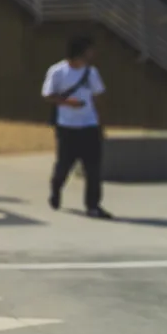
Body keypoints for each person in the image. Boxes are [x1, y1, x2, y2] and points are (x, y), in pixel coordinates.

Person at [42, 36, 111, 219]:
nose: (93, 53)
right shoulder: (57, 71)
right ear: (80, 52)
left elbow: (98, 97)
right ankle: (56, 189)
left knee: (93, 169)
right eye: (89, 50)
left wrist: (101, 124)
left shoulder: (92, 72)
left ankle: (93, 205)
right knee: (64, 166)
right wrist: (67, 102)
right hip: (67, 128)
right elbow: (48, 95)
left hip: (89, 126)